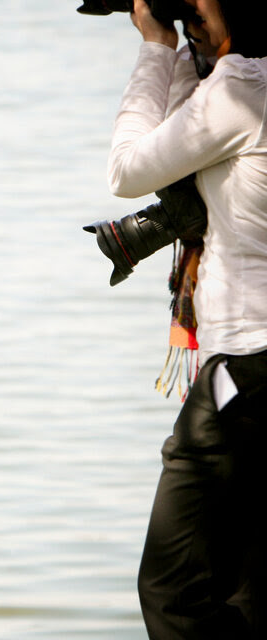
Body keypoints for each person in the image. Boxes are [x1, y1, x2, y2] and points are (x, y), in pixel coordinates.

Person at [107, 0, 267, 637]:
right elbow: (185, 139)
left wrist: (156, 47)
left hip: (247, 368)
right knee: (248, 587)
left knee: (174, 589)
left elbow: (129, 168)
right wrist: (188, 51)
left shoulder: (238, 90)